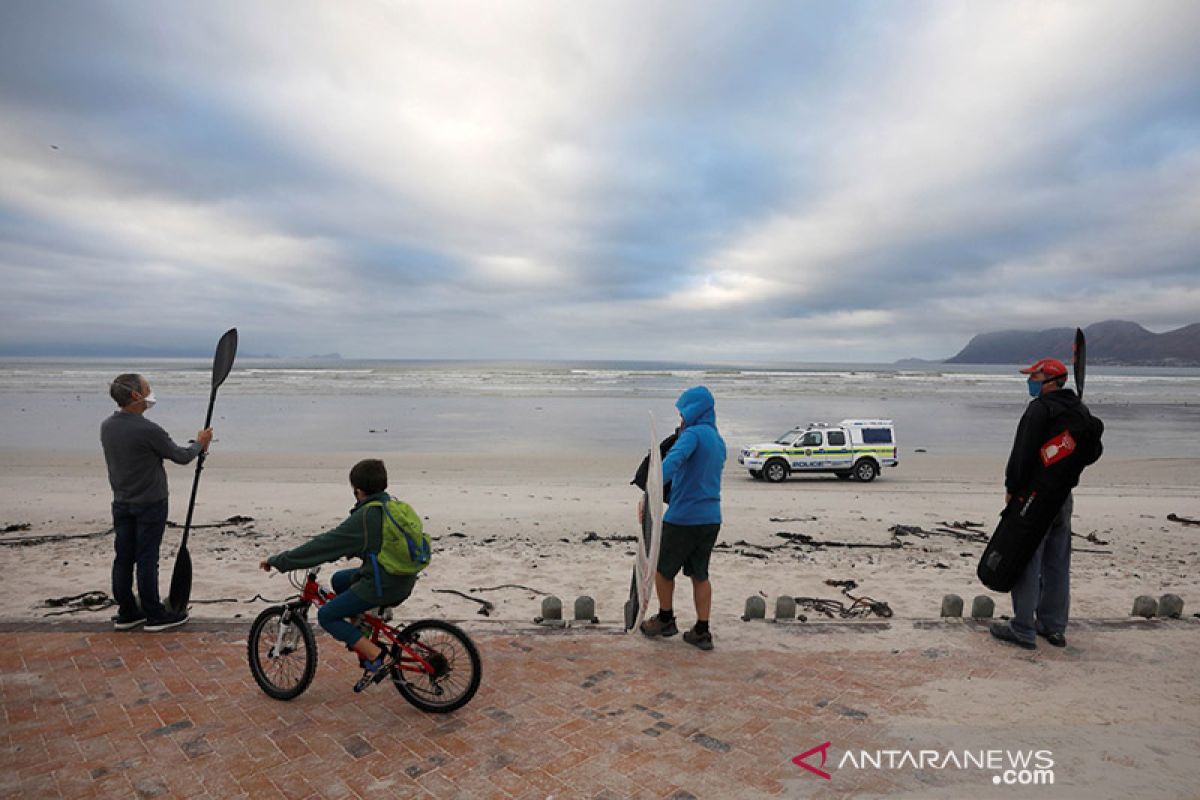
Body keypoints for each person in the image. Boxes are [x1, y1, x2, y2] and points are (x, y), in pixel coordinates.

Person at [259, 459, 426, 674]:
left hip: (383, 585)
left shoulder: (366, 516)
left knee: (327, 615)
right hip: (403, 577)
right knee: (339, 580)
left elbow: (325, 544)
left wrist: (279, 561)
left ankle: (376, 656)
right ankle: (365, 623)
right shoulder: (393, 506)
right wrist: (357, 549)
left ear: (358, 491)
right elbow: (382, 543)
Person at [990, 357, 1099, 650]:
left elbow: (1023, 452)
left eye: (1034, 376)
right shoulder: (1079, 410)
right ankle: (1053, 626)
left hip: (1036, 498)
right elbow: (1091, 453)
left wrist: (1012, 487)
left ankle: (1023, 628)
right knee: (1057, 562)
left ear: (1048, 380)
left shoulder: (1039, 409)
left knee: (1026, 557)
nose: (1030, 380)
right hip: (1063, 496)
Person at [101, 373, 212, 632]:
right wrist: (201, 443)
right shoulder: (147, 429)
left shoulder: (107, 426)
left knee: (124, 558)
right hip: (151, 503)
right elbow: (182, 456)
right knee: (147, 558)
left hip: (121, 502)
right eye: (147, 388)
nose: (151, 392)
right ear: (136, 395)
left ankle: (128, 611)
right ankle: (154, 614)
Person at [639, 386, 726, 650]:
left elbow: (670, 464)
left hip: (684, 518)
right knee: (700, 575)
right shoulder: (717, 439)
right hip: (711, 518)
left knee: (662, 571)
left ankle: (666, 619)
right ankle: (702, 630)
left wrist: (648, 495)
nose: (681, 417)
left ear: (694, 410)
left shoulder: (692, 435)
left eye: (683, 411)